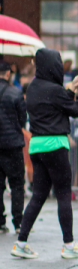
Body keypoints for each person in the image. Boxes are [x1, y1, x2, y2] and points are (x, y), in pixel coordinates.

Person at [13, 49, 78, 259]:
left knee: (38, 196)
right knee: (64, 194)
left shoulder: (33, 87)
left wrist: (71, 87)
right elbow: (77, 109)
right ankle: (69, 245)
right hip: (55, 144)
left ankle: (21, 243)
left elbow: (54, 102)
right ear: (54, 66)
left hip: (37, 146)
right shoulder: (54, 89)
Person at [0, 61, 27, 234]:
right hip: (14, 145)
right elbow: (23, 119)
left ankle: (0, 221)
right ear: (8, 73)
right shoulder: (16, 92)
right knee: (17, 184)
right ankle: (18, 222)